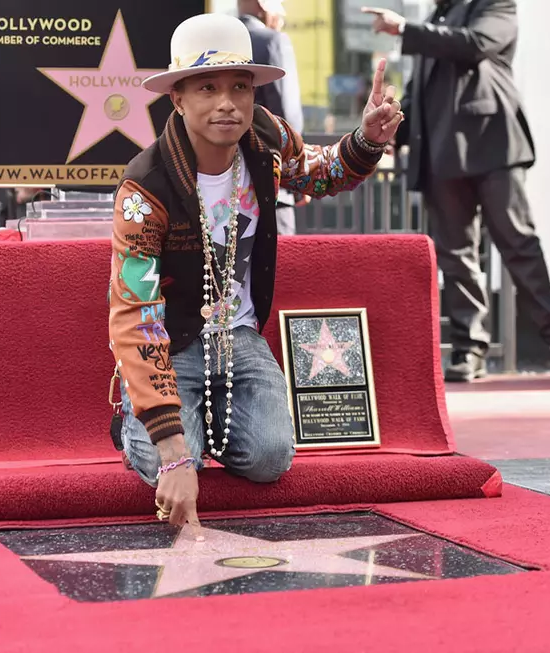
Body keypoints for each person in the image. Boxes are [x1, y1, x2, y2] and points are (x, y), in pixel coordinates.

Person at [108, 13, 402, 528]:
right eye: (208, 87)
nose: (228, 102)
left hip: (239, 335)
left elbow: (317, 172)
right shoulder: (145, 186)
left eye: (240, 87)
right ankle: (145, 424)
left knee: (270, 458)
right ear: (178, 98)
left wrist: (367, 139)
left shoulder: (265, 136)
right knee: (170, 462)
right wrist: (175, 452)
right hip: (172, 342)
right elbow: (136, 314)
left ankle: (203, 422)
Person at [363, 1, 550, 384]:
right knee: (455, 256)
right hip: (441, 153)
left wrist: (405, 30)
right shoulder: (436, 18)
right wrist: (394, 130)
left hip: (493, 145)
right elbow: (423, 93)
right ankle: (470, 350)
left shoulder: (495, 4)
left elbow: (475, 44)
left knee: (518, 244)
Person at [237, 0, 304, 235]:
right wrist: (298, 180)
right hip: (270, 183)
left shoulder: (216, 44)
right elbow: (287, 117)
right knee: (282, 267)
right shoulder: (273, 40)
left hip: (220, 189)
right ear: (264, 5)